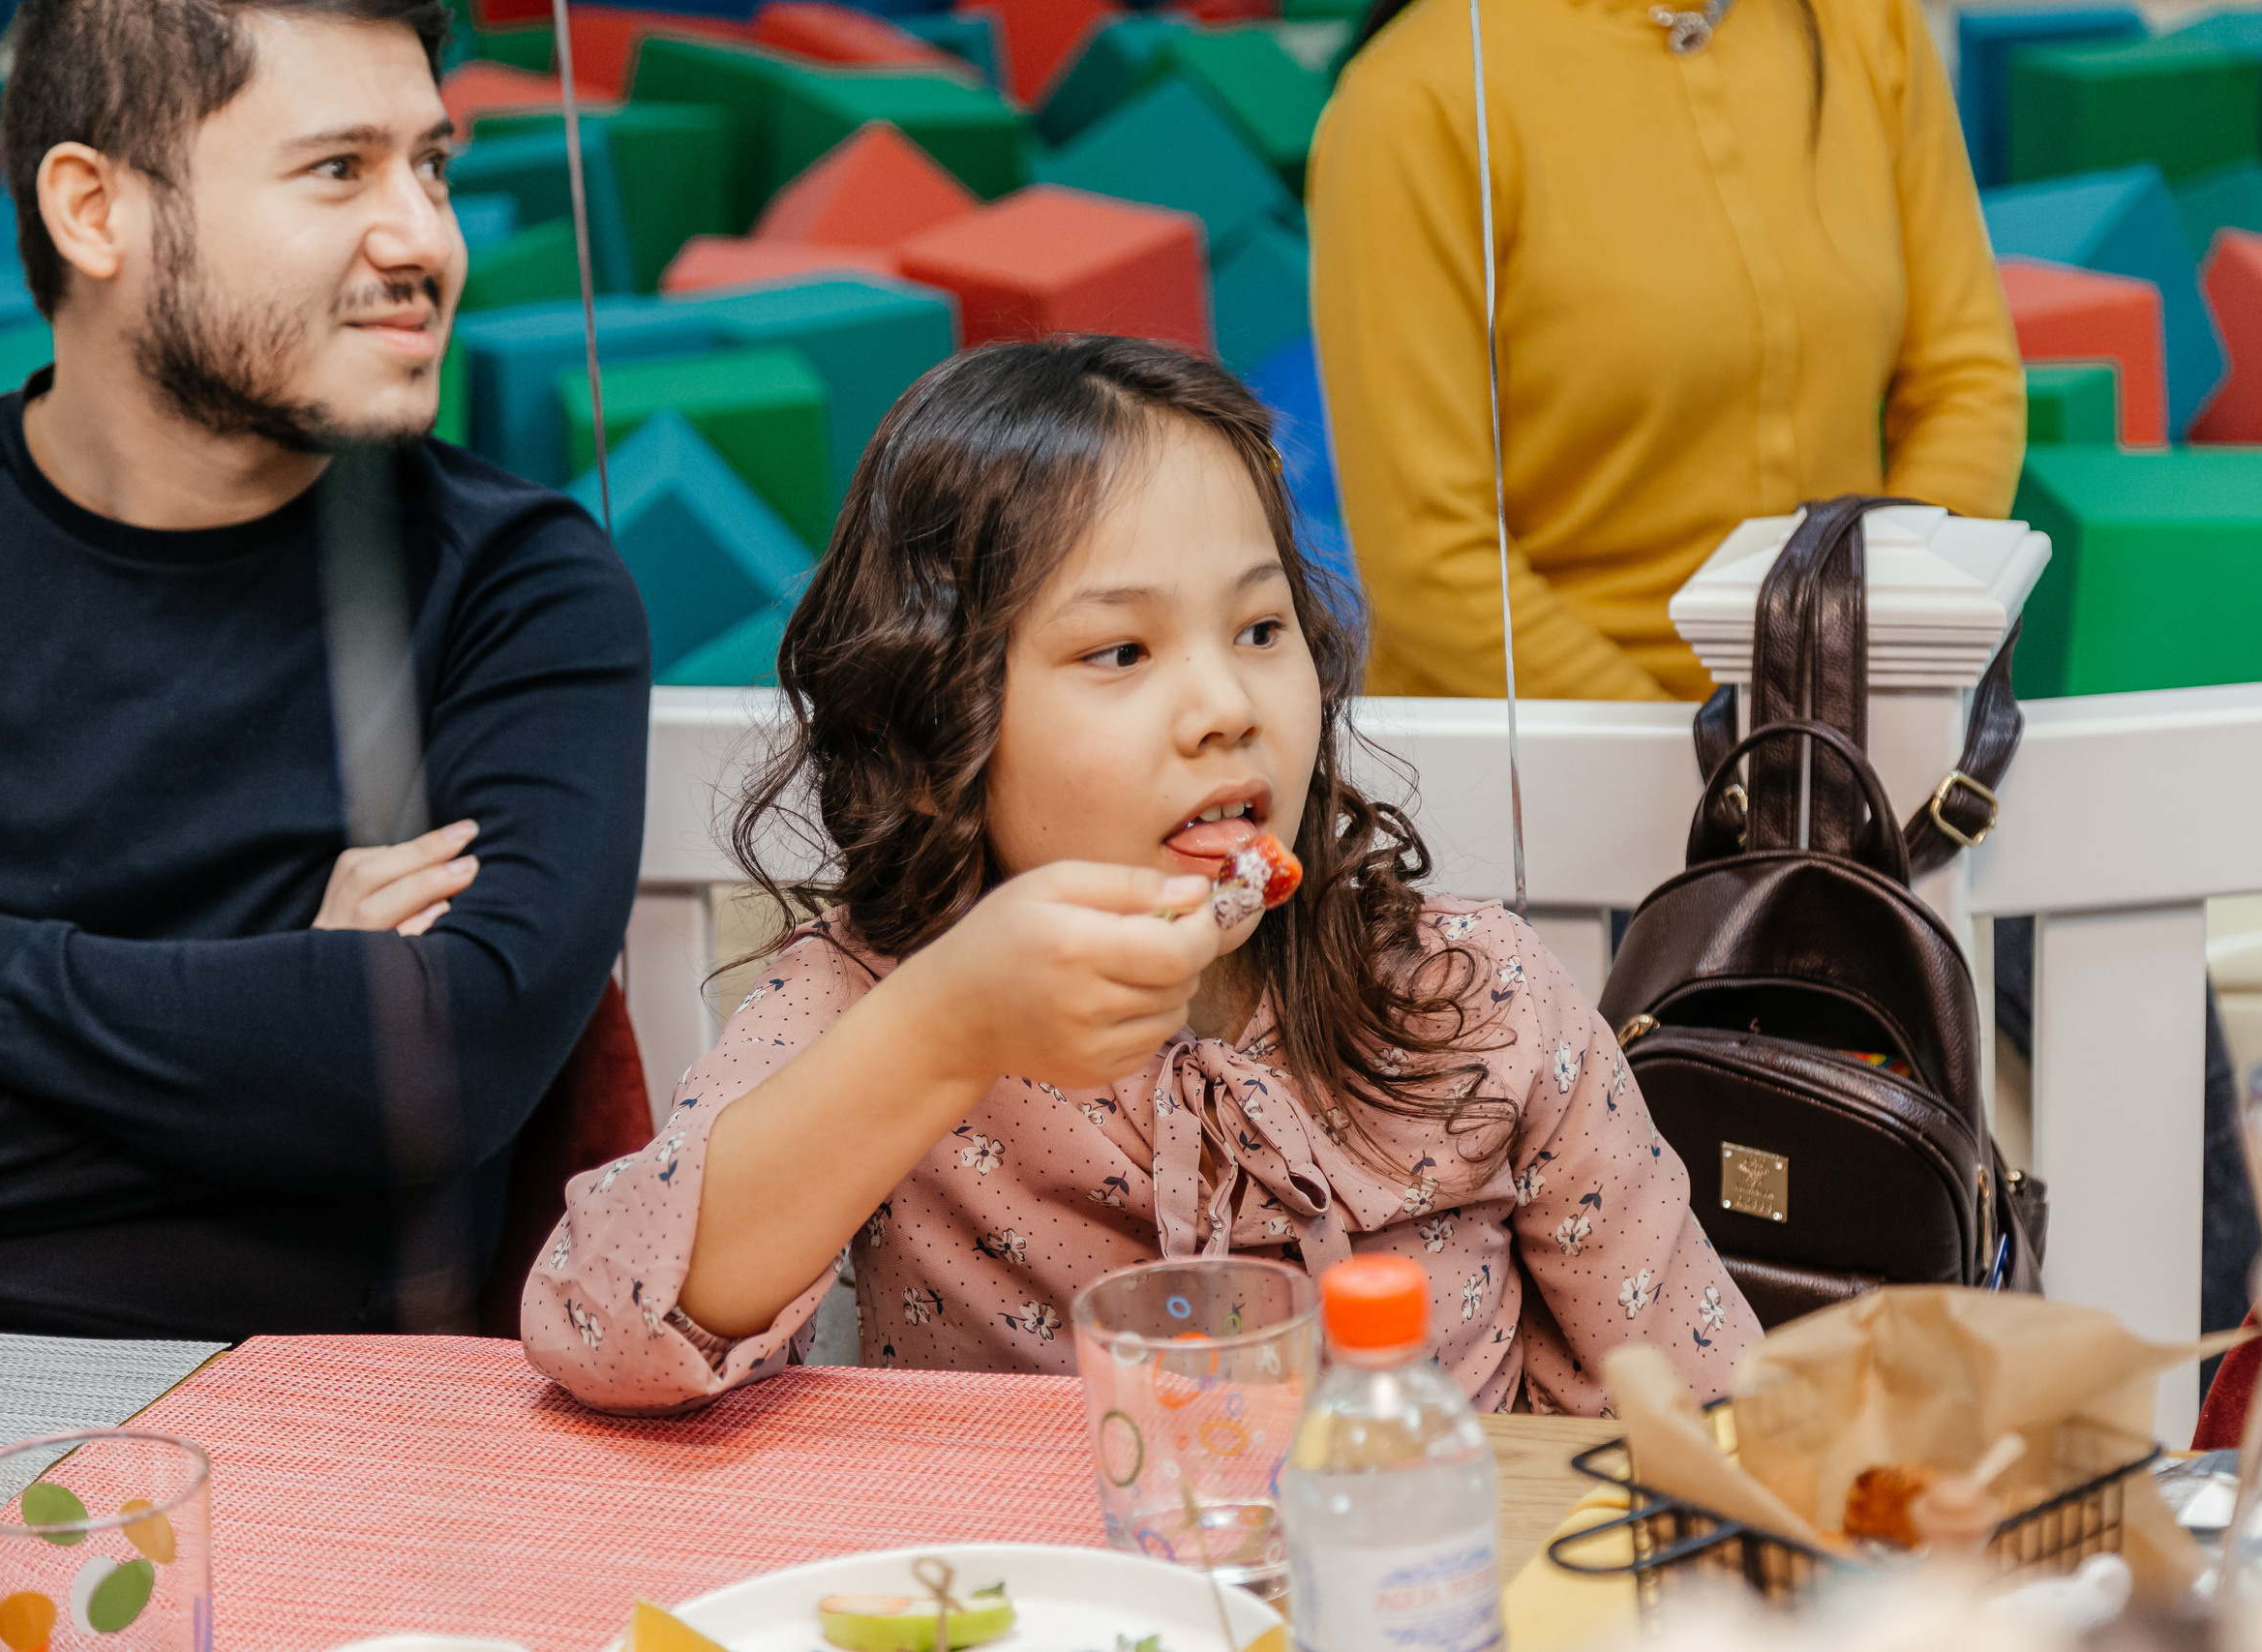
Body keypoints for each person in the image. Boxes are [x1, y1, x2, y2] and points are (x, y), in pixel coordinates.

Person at [525, 337, 1754, 1417]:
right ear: (942, 722)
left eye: (1261, 631)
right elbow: (602, 1329)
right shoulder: (876, 998)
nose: (1225, 707)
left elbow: (1717, 1408)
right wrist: (941, 1029)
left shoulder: (1477, 999)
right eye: (1121, 650)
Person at [0, 0, 650, 1338]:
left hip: (358, 1455)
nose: (425, 239)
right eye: (339, 170)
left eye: (433, 166)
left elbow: (435, 1074)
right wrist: (287, 1003)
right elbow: (371, 1091)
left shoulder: (516, 588)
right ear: (95, 210)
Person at [1311, 0, 2025, 703]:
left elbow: (1967, 380)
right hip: (1545, 756)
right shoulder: (1411, 98)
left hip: (1841, 721)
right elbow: (1425, 554)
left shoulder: (1868, 24)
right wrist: (1698, 767)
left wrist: (1863, 664)